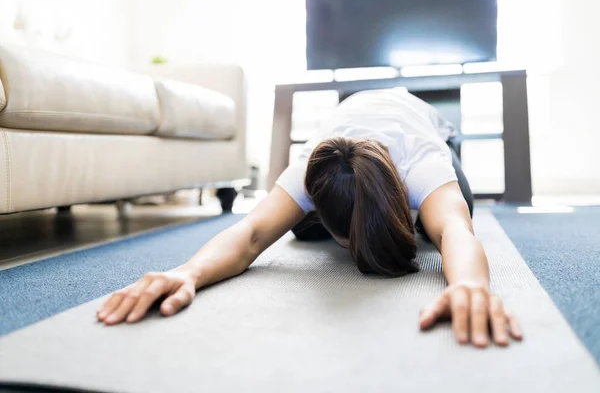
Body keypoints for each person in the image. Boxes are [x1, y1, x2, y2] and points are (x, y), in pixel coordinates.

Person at [97, 88, 522, 347]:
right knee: (294, 226)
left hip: (431, 132)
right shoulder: (309, 169)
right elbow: (250, 234)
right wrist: (188, 273)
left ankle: (412, 210)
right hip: (350, 140)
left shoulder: (423, 162)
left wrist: (469, 284)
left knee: (456, 207)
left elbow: (454, 230)